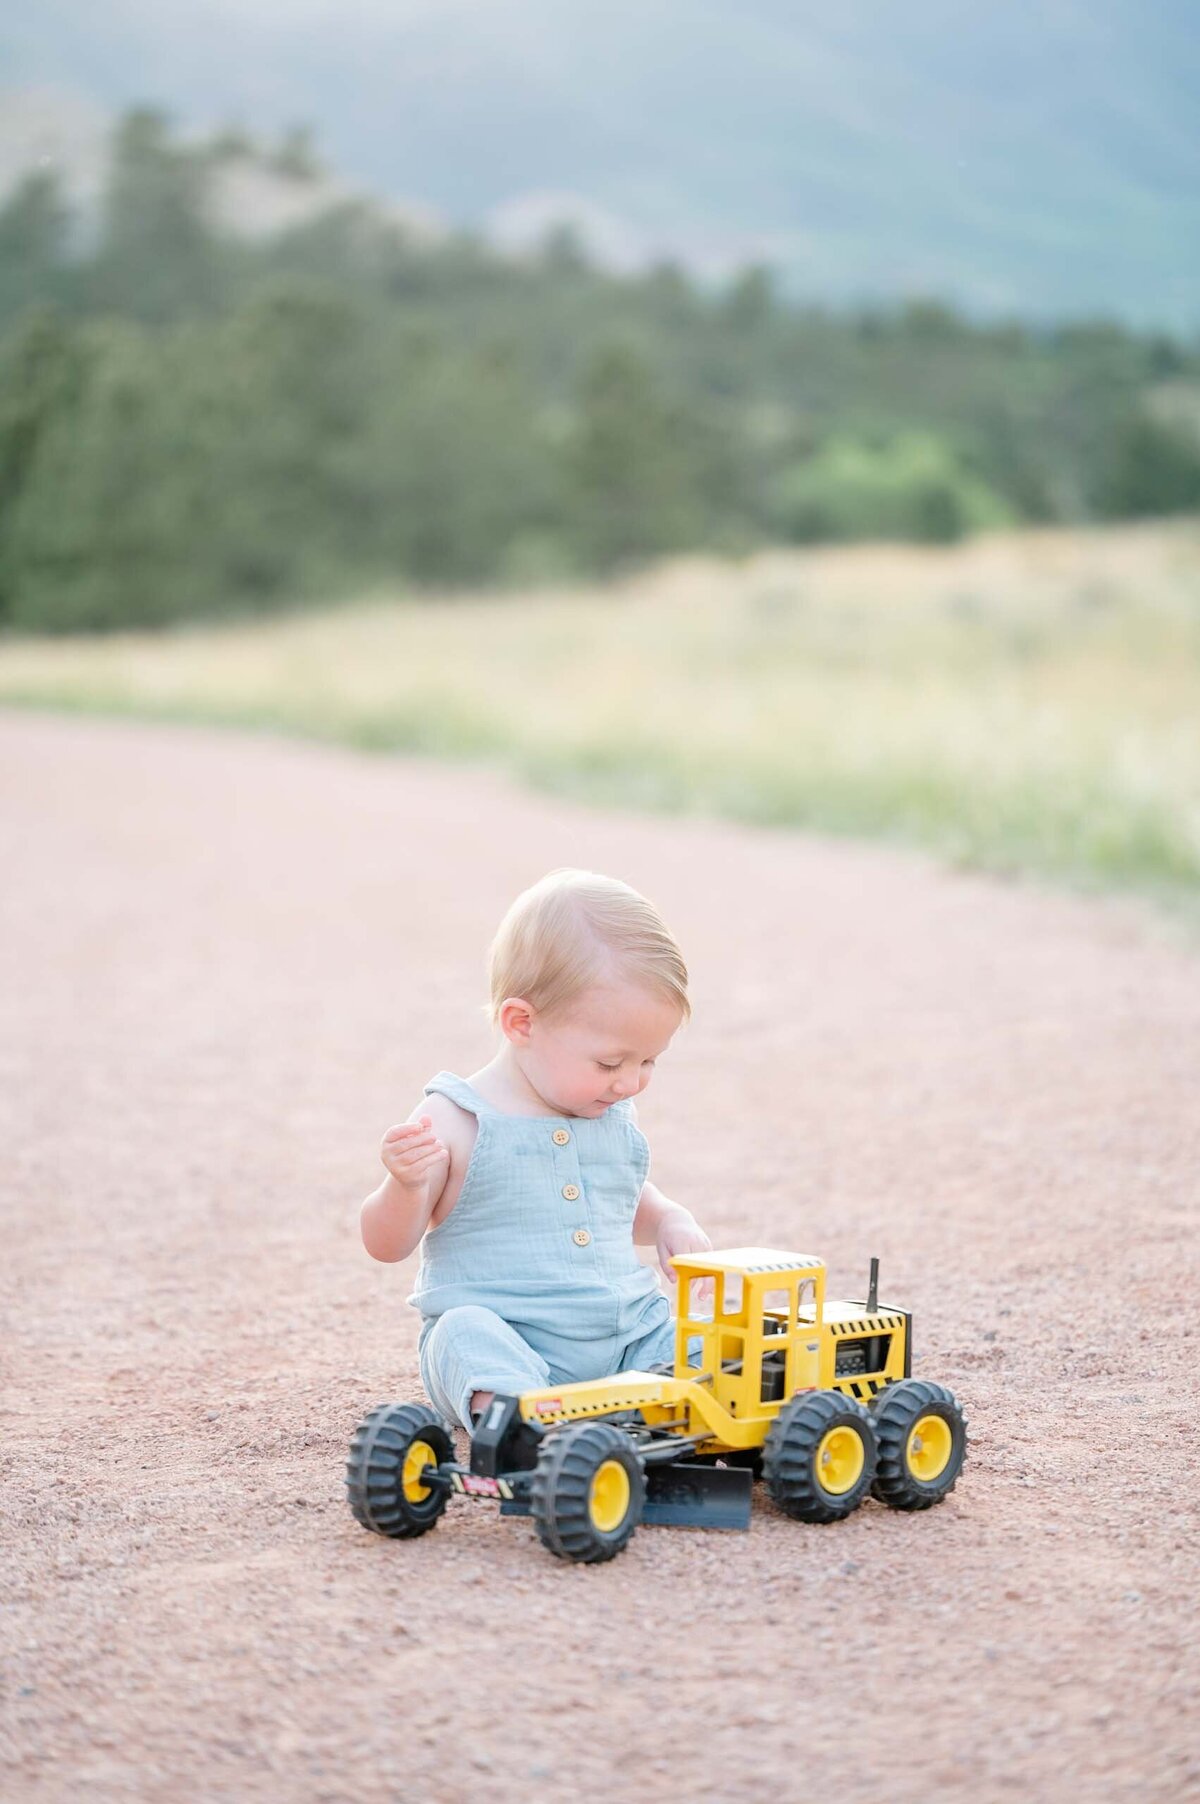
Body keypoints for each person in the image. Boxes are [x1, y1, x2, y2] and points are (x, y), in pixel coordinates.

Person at [360, 868, 712, 1430]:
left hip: (627, 1339)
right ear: (521, 1022)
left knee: (712, 1347)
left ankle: (671, 1408)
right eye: (610, 1062)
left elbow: (619, 1197)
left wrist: (668, 1218)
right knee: (462, 1334)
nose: (631, 1082)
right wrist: (402, 1186)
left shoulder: (605, 1110)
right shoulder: (453, 1119)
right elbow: (387, 1244)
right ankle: (519, 1428)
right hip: (514, 1343)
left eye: (648, 1061)